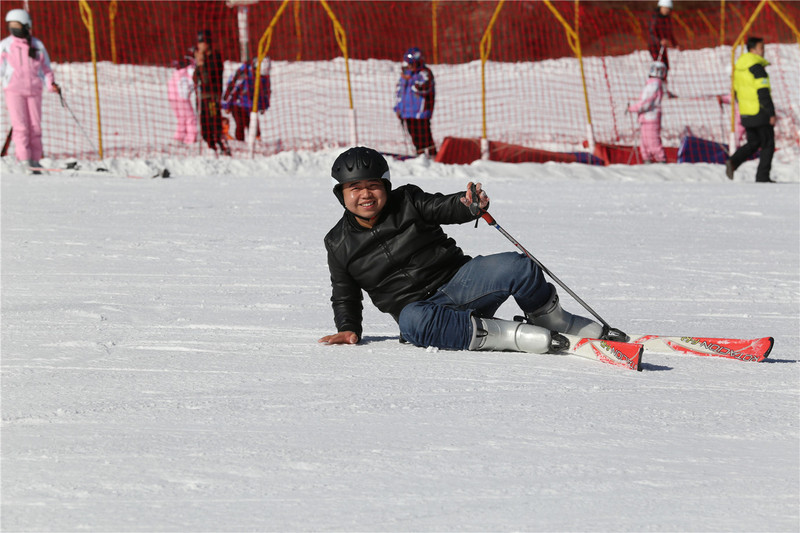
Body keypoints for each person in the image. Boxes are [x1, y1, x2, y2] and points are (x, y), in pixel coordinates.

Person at [318, 147, 623, 354]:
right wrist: (347, 328)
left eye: (372, 186)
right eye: (354, 188)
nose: (365, 195)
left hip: (461, 282)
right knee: (411, 323)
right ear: (341, 194)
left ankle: (555, 322)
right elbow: (344, 294)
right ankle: (509, 337)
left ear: (386, 186)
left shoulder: (408, 200)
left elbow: (440, 206)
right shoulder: (338, 243)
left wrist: (467, 205)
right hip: (424, 313)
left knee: (519, 267)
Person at [0, 8, 59, 173]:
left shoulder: (37, 45)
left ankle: (35, 159)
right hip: (14, 90)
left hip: (34, 90)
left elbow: (46, 68)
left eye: (17, 25)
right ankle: (25, 160)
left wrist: (51, 84)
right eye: (11, 26)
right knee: (20, 126)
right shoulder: (5, 46)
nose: (14, 29)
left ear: (26, 26)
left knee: (35, 126)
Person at [726, 37, 776, 183]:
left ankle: (734, 162)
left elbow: (735, 91)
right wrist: (770, 113)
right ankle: (762, 177)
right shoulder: (757, 68)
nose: (763, 51)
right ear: (752, 50)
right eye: (761, 47)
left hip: (746, 112)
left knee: (754, 142)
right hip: (760, 111)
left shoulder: (739, 67)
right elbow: (763, 92)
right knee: (768, 144)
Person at [193, 29, 230, 156]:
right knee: (204, 127)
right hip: (203, 97)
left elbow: (207, 79)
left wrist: (202, 64)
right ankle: (211, 148)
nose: (199, 46)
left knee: (214, 123)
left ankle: (220, 146)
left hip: (212, 96)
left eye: (201, 42)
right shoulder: (202, 58)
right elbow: (195, 78)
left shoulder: (215, 57)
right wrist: (198, 65)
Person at [393, 47, 436, 157]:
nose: (410, 66)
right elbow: (399, 92)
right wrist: (398, 108)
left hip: (420, 113)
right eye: (409, 64)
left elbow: (424, 87)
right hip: (407, 112)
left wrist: (411, 80)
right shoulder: (405, 75)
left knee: (424, 135)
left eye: (412, 64)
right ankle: (420, 154)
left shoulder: (425, 73)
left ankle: (432, 154)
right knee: (414, 135)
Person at [221, 56, 271, 142]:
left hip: (252, 105)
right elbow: (232, 89)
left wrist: (264, 105)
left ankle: (257, 143)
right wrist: (226, 104)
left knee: (253, 125)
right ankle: (240, 143)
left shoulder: (264, 78)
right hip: (237, 103)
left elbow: (265, 92)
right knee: (240, 124)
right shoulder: (243, 74)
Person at [627, 61, 667, 164]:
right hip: (645, 119)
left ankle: (662, 163)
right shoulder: (652, 84)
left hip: (651, 118)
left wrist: (632, 108)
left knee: (653, 143)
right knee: (644, 145)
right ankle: (647, 163)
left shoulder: (654, 85)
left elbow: (646, 103)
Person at [167, 56, 197, 145]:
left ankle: (179, 137)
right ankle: (191, 139)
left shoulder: (176, 73)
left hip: (172, 98)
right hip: (182, 98)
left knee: (182, 118)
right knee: (190, 118)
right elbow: (193, 78)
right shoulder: (188, 71)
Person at [648, 0, 679, 84]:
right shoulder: (655, 18)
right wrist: (659, 41)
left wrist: (675, 43)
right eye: (665, 8)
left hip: (662, 46)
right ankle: (654, 84)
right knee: (659, 65)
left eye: (668, 9)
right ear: (660, 7)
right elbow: (652, 32)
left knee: (665, 65)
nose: (666, 10)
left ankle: (663, 86)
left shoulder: (667, 19)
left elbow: (669, 33)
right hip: (654, 45)